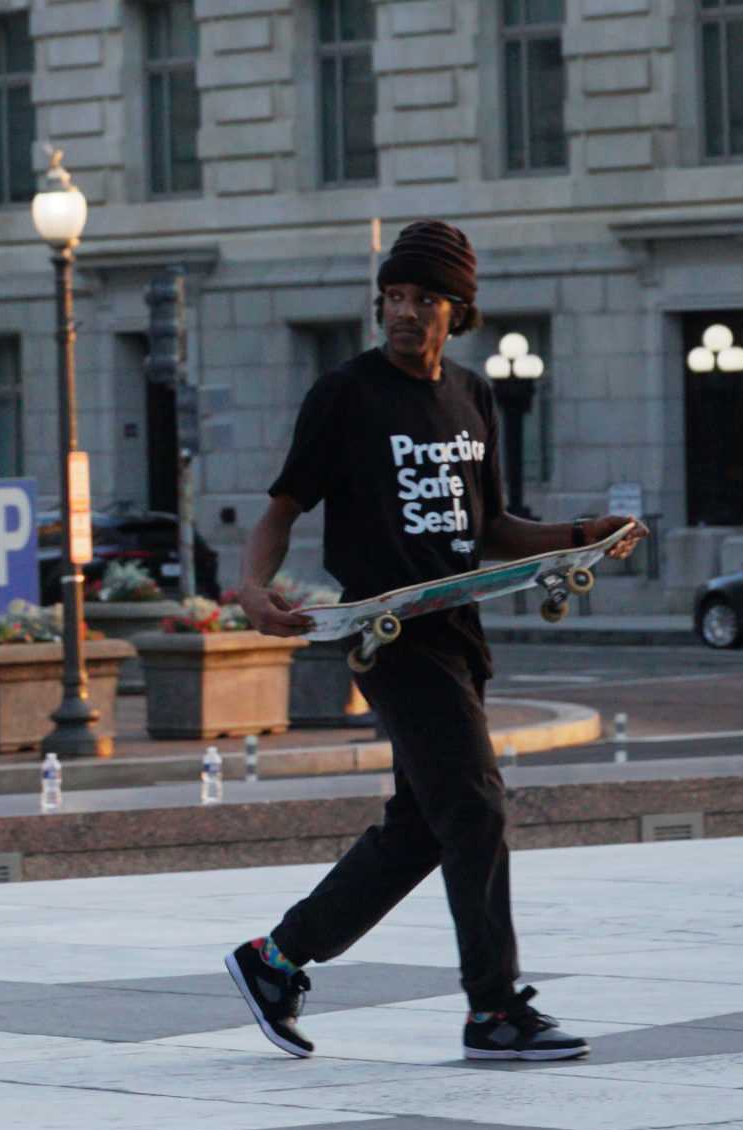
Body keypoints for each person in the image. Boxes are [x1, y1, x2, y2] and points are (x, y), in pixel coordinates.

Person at [221, 220, 644, 1063]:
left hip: (459, 627)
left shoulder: (473, 397)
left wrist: (579, 532)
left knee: (424, 826)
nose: (405, 313)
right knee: (477, 804)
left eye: (424, 299)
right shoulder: (347, 394)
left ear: (459, 309)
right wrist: (251, 586)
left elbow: (490, 528)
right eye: (394, 298)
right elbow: (283, 507)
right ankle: (493, 1008)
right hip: (390, 633)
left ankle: (275, 960)